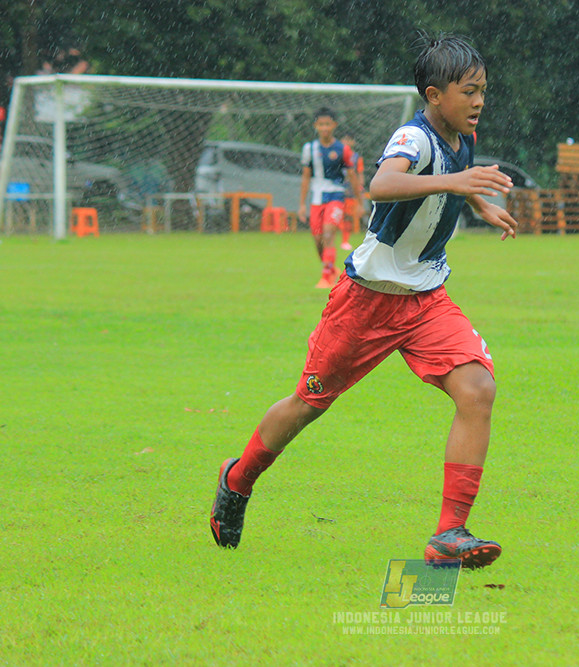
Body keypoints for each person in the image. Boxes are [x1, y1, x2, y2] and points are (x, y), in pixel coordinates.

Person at [210, 34, 518, 568]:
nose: (479, 101)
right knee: (306, 405)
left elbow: (445, 178)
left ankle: (450, 534)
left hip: (426, 299)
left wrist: (475, 201)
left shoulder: (461, 134)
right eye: (469, 92)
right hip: (366, 302)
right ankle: (238, 480)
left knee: (477, 389)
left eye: (483, 91)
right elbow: (382, 184)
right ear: (434, 94)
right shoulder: (413, 136)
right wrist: (460, 181)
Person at [298, 108, 364, 288]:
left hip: (336, 196)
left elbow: (353, 176)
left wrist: (359, 201)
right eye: (321, 124)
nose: (324, 128)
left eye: (327, 124)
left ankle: (326, 276)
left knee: (328, 234)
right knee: (318, 239)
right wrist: (302, 204)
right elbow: (305, 177)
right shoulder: (309, 149)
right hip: (317, 197)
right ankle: (330, 267)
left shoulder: (343, 149)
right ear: (316, 126)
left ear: (334, 125)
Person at [339, 132, 366, 251]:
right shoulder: (336, 155)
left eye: (348, 140)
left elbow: (360, 173)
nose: (345, 142)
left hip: (350, 190)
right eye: (344, 139)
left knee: (348, 215)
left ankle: (345, 240)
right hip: (336, 189)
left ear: (353, 143)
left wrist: (360, 186)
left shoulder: (356, 158)